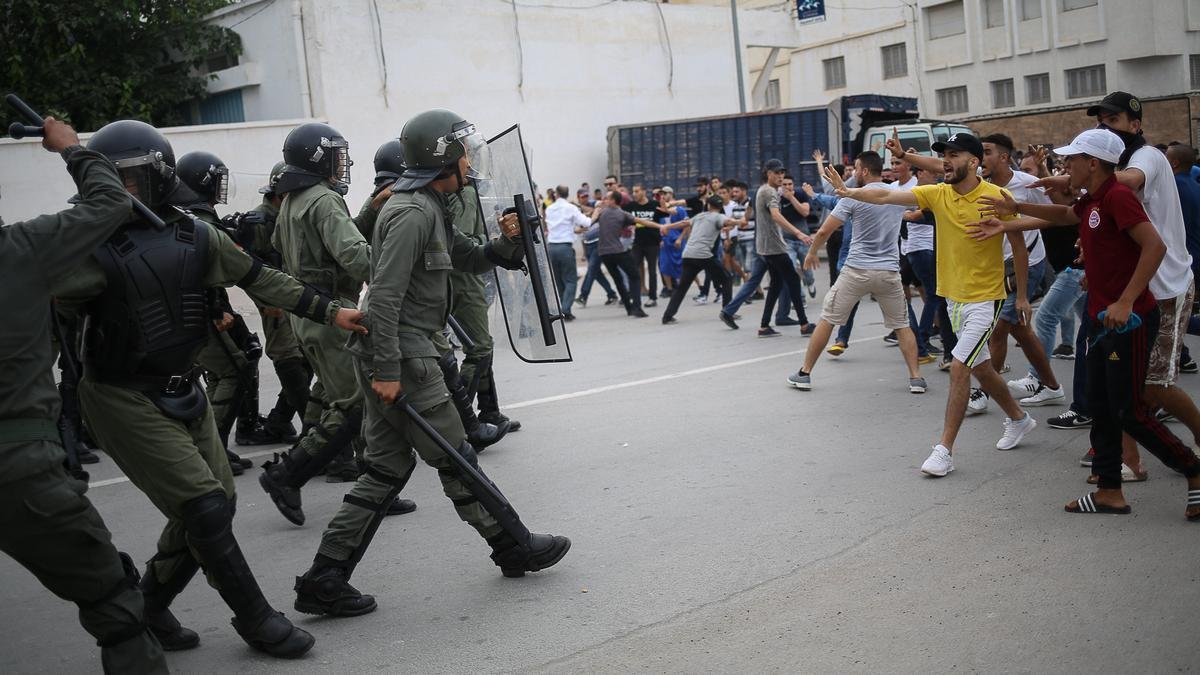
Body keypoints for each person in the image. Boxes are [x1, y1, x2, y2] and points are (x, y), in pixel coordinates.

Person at [53, 119, 371, 657]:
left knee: (214, 504)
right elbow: (49, 332)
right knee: (202, 506)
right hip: (120, 394)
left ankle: (150, 604)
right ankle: (255, 618)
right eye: (111, 179)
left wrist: (330, 310)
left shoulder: (193, 233)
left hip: (184, 386)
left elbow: (260, 277)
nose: (119, 191)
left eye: (130, 179)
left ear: (156, 178)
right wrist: (51, 424)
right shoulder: (82, 246)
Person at [292, 109, 571, 616]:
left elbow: (468, 255)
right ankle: (514, 545)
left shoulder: (431, 205)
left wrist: (509, 241)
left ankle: (323, 578)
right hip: (407, 353)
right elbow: (384, 297)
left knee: (382, 470)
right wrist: (387, 372)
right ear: (444, 156)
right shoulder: (413, 211)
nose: (470, 158)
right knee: (457, 457)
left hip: (403, 352)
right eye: (463, 149)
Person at [1, 116, 169, 673]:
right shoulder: (20, 250)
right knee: (114, 604)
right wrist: (72, 148)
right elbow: (108, 204)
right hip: (21, 469)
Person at [971, 128, 1200, 520]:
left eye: (1072, 160)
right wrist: (1015, 213)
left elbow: (1155, 246)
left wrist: (1126, 300)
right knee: (1102, 408)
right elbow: (1064, 214)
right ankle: (1110, 489)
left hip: (1126, 322)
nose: (1066, 166)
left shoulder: (1118, 197)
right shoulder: (1094, 199)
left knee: (1130, 411)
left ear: (1093, 163)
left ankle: (1193, 471)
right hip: (1100, 320)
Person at [827, 132, 1037, 477]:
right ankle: (1019, 418)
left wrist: (1024, 295)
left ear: (973, 162)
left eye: (954, 155)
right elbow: (884, 194)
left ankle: (944, 451)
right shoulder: (938, 194)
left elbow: (1018, 246)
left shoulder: (997, 197)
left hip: (986, 299)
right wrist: (850, 192)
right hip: (953, 299)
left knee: (959, 368)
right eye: (945, 155)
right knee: (982, 367)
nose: (946, 161)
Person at [260, 122, 416, 524]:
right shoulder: (324, 200)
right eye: (337, 155)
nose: (342, 163)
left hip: (308, 312)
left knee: (339, 396)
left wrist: (369, 210)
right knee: (355, 403)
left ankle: (373, 483)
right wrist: (399, 278)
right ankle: (287, 474)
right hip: (334, 312)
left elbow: (288, 247)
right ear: (319, 157)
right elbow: (355, 256)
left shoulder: (293, 199)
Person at [175, 151, 278, 476]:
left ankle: (222, 443)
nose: (220, 186)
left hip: (198, 310)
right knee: (233, 372)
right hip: (200, 312)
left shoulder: (191, 216)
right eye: (216, 180)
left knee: (242, 358)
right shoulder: (197, 221)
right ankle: (211, 453)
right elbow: (197, 270)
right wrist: (217, 307)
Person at [788, 151, 926, 394]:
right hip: (888, 272)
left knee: (828, 319)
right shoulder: (896, 196)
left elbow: (824, 231)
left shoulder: (851, 197)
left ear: (863, 171)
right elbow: (921, 203)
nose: (853, 174)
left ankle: (805, 373)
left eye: (856, 168)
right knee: (902, 325)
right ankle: (916, 378)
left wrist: (811, 254)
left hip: (856, 270)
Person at [970, 134, 1065, 410]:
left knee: (999, 330)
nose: (981, 158)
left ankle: (984, 392)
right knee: (1021, 331)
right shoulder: (981, 184)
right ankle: (1052, 387)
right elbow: (942, 165)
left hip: (1029, 262)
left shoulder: (1024, 183)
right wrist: (905, 157)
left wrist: (1016, 225)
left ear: (1003, 157)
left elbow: (1055, 215)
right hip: (998, 265)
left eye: (986, 152)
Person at [750, 159, 816, 337]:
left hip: (765, 246)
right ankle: (804, 324)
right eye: (776, 173)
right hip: (774, 246)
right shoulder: (769, 192)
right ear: (768, 173)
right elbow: (776, 216)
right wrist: (799, 233)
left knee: (777, 283)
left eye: (782, 172)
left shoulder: (762, 190)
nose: (780, 176)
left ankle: (764, 326)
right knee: (793, 280)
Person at [662, 195, 734, 324]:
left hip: (689, 254)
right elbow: (730, 222)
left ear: (708, 205)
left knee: (682, 287)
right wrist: (742, 221)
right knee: (727, 278)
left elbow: (683, 223)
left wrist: (667, 227)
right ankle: (727, 312)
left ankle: (667, 316)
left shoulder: (699, 216)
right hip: (704, 256)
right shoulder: (719, 216)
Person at [592, 191, 657, 318]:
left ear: (613, 201)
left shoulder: (601, 213)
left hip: (604, 253)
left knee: (618, 280)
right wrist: (661, 226)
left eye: (607, 198)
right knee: (635, 276)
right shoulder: (622, 214)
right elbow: (643, 222)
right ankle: (637, 307)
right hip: (617, 251)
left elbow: (587, 222)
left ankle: (629, 308)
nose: (604, 200)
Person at [624, 184, 666, 307]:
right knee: (633, 269)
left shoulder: (654, 205)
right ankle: (634, 296)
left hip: (653, 243)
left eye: (637, 191)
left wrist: (663, 203)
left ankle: (652, 298)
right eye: (633, 191)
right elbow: (620, 214)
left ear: (643, 191)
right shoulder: (631, 206)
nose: (634, 194)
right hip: (637, 243)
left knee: (652, 271)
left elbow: (666, 214)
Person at [656, 186, 688, 297]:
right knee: (664, 265)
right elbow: (659, 226)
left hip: (677, 240)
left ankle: (681, 286)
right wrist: (660, 239)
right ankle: (669, 288)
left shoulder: (680, 209)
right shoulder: (660, 210)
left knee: (680, 264)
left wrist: (680, 238)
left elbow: (686, 225)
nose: (663, 196)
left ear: (671, 194)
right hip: (665, 241)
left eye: (665, 193)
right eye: (662, 194)